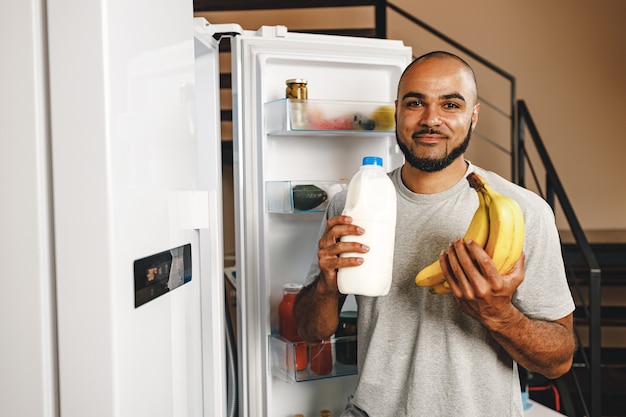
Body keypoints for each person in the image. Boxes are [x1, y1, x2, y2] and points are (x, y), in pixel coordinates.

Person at [293, 51, 576, 417]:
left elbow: (559, 361)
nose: (431, 120)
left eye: (450, 104)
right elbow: (311, 331)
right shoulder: (350, 204)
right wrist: (325, 285)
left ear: (473, 115)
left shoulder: (523, 211)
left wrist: (499, 315)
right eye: (415, 103)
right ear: (397, 111)